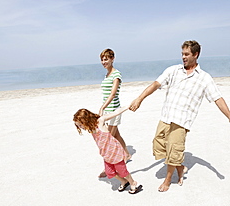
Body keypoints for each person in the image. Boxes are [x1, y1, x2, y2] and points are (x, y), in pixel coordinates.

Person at [129, 40, 230, 192]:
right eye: (182, 54)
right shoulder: (173, 70)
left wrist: (229, 116)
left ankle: (168, 180)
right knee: (158, 145)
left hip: (182, 120)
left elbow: (218, 98)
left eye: (187, 54)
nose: (183, 57)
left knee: (174, 150)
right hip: (166, 116)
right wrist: (139, 99)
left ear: (196, 55)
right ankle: (180, 167)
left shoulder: (204, 78)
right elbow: (156, 84)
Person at [73, 106, 142, 194]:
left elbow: (116, 113)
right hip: (106, 154)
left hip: (115, 152)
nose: (80, 127)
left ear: (85, 120)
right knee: (110, 172)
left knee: (122, 171)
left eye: (80, 124)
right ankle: (124, 181)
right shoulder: (90, 127)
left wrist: (129, 106)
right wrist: (101, 108)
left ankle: (133, 182)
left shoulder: (100, 122)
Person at [98, 48, 131, 178]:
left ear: (112, 59)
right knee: (116, 135)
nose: (103, 62)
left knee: (108, 141)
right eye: (102, 59)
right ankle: (127, 154)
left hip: (114, 110)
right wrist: (104, 108)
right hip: (107, 110)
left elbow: (112, 95)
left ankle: (108, 168)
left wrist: (102, 107)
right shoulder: (107, 75)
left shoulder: (116, 75)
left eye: (106, 59)